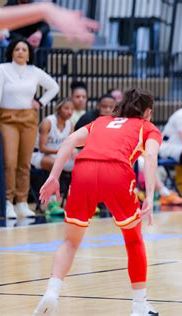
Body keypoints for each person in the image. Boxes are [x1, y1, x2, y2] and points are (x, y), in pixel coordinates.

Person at [33, 88, 161, 316]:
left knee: (70, 241)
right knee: (133, 240)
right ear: (148, 112)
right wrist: (149, 195)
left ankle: (52, 292)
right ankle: (140, 306)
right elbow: (150, 157)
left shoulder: (101, 121)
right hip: (116, 172)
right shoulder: (147, 127)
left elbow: (70, 140)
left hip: (83, 171)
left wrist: (53, 177)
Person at [0, 39, 59, 219]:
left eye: (24, 49)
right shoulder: (2, 69)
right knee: (10, 161)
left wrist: (40, 102)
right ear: (11, 52)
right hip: (6, 118)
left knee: (25, 162)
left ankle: (22, 203)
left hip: (29, 119)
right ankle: (8, 202)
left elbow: (54, 87)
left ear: (29, 53)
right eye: (17, 49)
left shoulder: (35, 71)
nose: (20, 52)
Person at [31, 98, 75, 215]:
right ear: (59, 109)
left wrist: (73, 152)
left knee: (82, 165)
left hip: (58, 156)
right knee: (56, 165)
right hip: (39, 155)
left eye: (72, 109)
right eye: (66, 108)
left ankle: (76, 200)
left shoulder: (70, 125)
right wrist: (61, 152)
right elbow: (42, 148)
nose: (69, 112)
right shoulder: (48, 122)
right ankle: (51, 204)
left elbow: (71, 145)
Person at [0, 1, 98, 44]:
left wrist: (39, 33)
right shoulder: (10, 5)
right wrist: (45, 9)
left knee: (47, 38)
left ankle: (41, 67)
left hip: (30, 38)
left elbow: (44, 25)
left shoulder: (32, 5)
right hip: (16, 38)